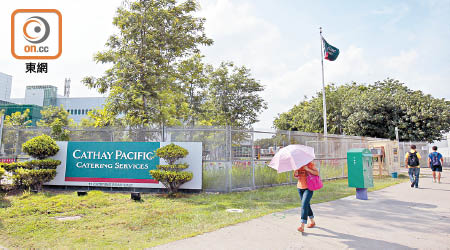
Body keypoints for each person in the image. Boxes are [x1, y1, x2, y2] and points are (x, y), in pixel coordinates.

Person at [294, 161, 319, 232]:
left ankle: (302, 226)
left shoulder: (310, 164)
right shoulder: (297, 164)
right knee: (306, 205)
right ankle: (312, 222)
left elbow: (317, 173)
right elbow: (297, 176)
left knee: (304, 205)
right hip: (300, 187)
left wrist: (307, 169)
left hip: (309, 188)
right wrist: (296, 173)